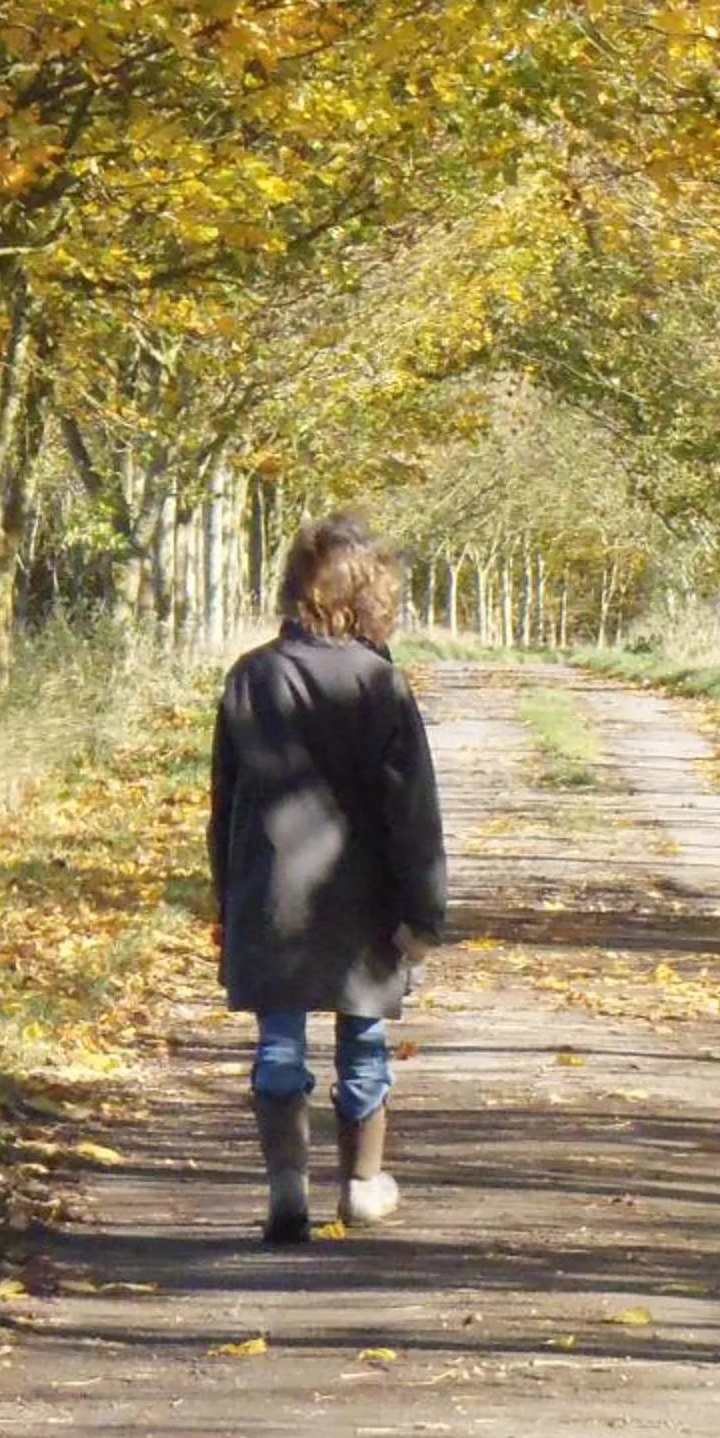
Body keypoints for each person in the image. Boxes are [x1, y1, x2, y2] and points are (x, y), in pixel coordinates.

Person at [208, 513, 448, 1244]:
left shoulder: (251, 677)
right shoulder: (380, 683)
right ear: (369, 595)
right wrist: (425, 912)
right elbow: (413, 810)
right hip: (363, 900)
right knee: (364, 1040)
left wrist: (225, 890)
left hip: (270, 893)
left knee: (279, 1040)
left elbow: (227, 799)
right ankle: (363, 1186)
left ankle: (286, 1188)